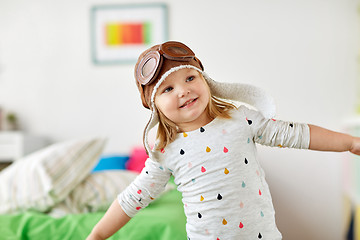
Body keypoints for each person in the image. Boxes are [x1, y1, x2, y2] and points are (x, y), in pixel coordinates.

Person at [87, 41, 360, 240]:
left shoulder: (240, 120)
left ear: (207, 81)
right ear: (154, 105)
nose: (183, 91)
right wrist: (98, 234)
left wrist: (349, 142)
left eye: (190, 77)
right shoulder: (165, 151)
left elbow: (296, 133)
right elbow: (135, 197)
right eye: (168, 88)